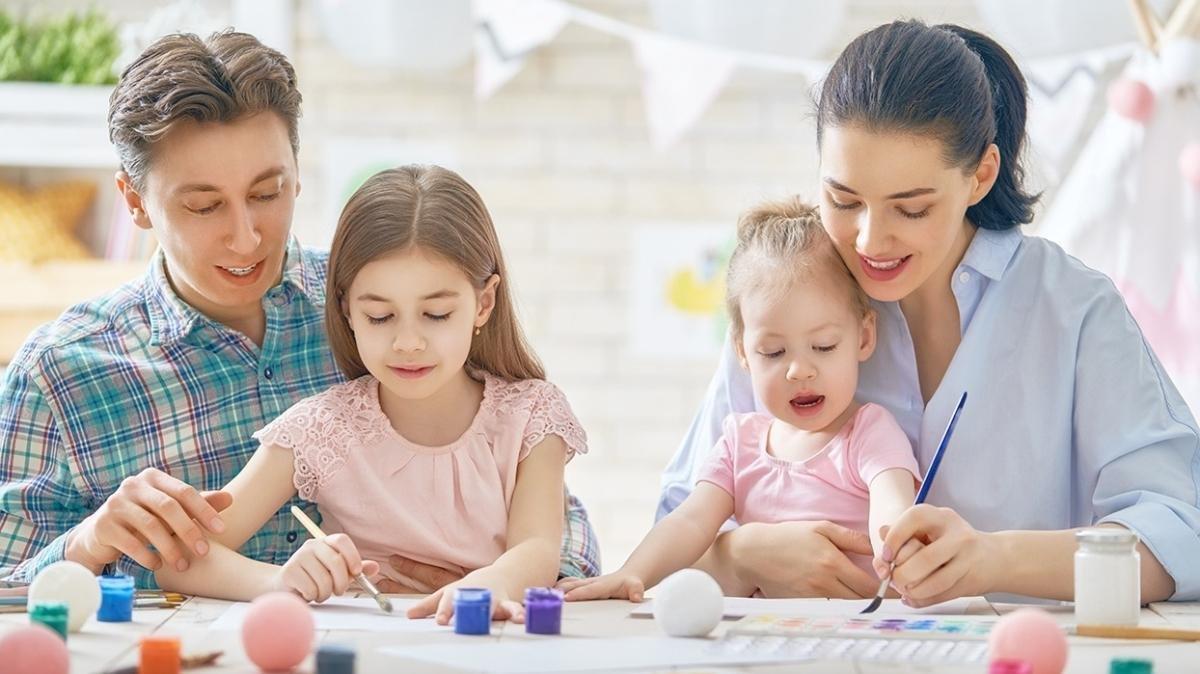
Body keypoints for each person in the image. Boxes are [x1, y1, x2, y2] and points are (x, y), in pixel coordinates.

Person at [0, 31, 599, 592]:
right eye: (205, 206)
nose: (246, 237)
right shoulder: (57, 371)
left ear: (297, 175)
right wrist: (86, 545)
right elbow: (8, 586)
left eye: (267, 193)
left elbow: (554, 531)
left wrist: (488, 586)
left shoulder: (379, 300)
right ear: (134, 202)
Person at [660, 20, 1199, 604]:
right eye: (843, 200)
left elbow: (1179, 538)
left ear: (980, 176)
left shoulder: (1072, 310)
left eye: (910, 208)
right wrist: (739, 557)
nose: (870, 239)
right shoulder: (786, 294)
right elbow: (670, 534)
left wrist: (996, 559)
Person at [156, 164, 585, 623]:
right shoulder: (322, 428)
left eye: (436, 314)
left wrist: (486, 587)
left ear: (483, 303)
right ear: (346, 309)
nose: (408, 342)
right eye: (380, 316)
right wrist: (278, 581)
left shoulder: (531, 415)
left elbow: (537, 549)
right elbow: (183, 559)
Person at [559, 199, 918, 602]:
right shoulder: (739, 442)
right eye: (773, 352)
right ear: (743, 352)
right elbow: (690, 521)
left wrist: (897, 545)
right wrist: (631, 574)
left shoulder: (869, 432)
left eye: (823, 345)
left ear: (864, 337)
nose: (799, 370)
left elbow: (894, 508)